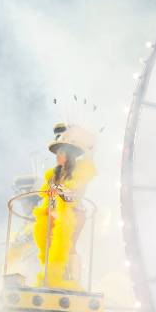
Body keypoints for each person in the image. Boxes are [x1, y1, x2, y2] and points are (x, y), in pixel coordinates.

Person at [32, 124, 96, 290]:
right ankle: (54, 277)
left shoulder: (79, 172)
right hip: (55, 215)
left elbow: (72, 196)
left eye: (61, 152)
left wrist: (57, 190)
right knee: (50, 247)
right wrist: (50, 211)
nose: (57, 156)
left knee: (69, 246)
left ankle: (72, 280)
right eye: (57, 152)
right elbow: (51, 198)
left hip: (74, 213)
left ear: (68, 155)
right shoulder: (53, 175)